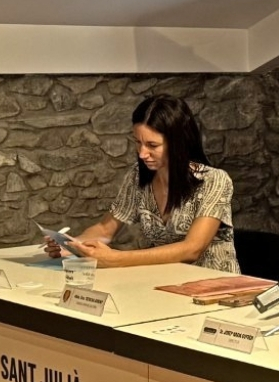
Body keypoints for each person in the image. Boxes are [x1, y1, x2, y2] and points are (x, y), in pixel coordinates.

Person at [44, 95, 239, 272]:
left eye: (152, 145)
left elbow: (192, 249)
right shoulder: (138, 176)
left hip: (216, 287)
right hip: (164, 283)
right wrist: (73, 245)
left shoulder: (214, 180)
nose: (142, 153)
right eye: (138, 142)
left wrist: (116, 259)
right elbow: (105, 229)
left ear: (178, 143)